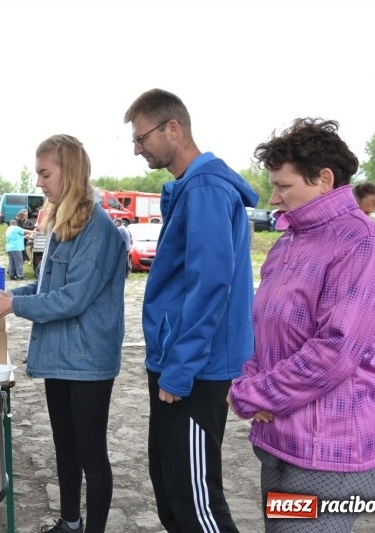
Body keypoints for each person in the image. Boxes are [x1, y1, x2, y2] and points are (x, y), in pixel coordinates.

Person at [228, 119, 375, 533]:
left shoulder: (364, 244)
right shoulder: (289, 242)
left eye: (283, 186)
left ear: (324, 179)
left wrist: (251, 393)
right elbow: (267, 330)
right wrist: (251, 378)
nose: (274, 197)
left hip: (329, 455)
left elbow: (334, 352)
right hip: (279, 440)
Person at [0, 134, 126, 533]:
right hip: (60, 355)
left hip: (87, 360)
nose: (38, 183)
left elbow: (73, 298)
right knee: (65, 447)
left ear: (69, 172)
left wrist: (14, 306)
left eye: (45, 174)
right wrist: (10, 295)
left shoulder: (98, 229)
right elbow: (47, 287)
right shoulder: (64, 221)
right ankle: (70, 523)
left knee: (91, 454)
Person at [124, 89, 257, 532]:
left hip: (196, 370)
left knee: (197, 504)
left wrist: (180, 369)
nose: (138, 149)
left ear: (173, 129)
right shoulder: (189, 188)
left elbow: (210, 285)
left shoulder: (206, 189)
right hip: (176, 363)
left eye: (141, 138)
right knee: (171, 492)